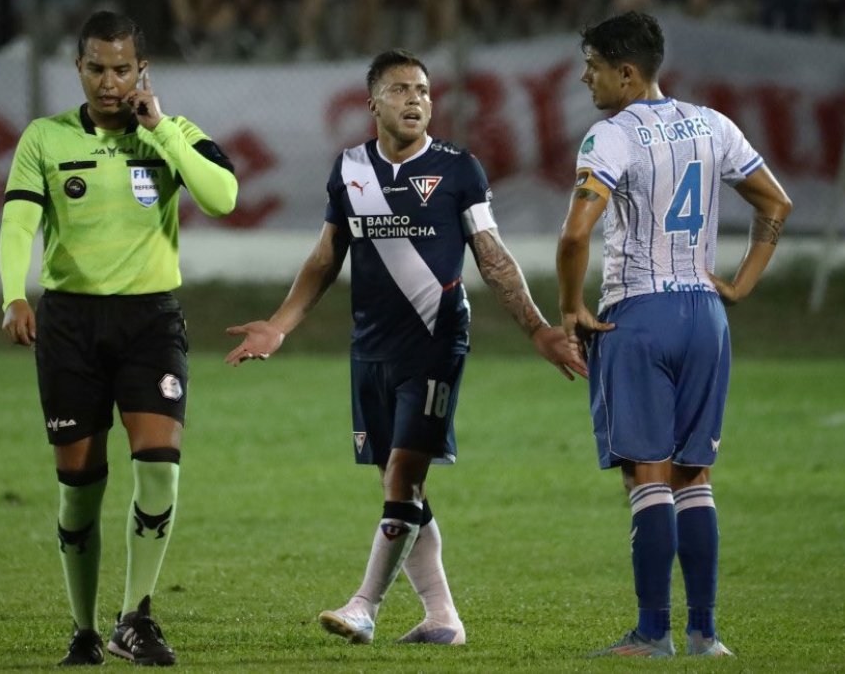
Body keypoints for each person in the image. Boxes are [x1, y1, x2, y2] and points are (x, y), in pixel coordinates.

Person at [225, 48, 585, 646]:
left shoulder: (458, 169)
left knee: (401, 476)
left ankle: (365, 605)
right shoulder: (349, 170)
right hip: (370, 349)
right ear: (372, 104)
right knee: (404, 488)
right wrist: (280, 325)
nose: (416, 99)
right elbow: (324, 258)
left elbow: (492, 258)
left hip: (435, 344)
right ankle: (442, 617)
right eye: (400, 90)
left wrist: (539, 328)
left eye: (422, 89)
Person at [0, 10, 238, 667]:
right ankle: (82, 628)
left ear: (142, 71)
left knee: (159, 466)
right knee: (80, 485)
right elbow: (19, 221)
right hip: (70, 323)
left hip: (151, 322)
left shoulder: (172, 133)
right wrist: (13, 293)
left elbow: (223, 196)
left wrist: (160, 129)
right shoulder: (44, 139)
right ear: (79, 69)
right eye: (97, 68)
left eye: (122, 68)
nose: (110, 81)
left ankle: (135, 615)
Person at [556, 11, 791, 658]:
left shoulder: (611, 136)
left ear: (625, 73)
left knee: (649, 477)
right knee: (696, 476)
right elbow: (775, 203)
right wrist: (740, 284)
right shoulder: (714, 124)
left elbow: (576, 234)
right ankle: (705, 633)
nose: (585, 78)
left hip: (641, 314)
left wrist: (571, 305)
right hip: (705, 317)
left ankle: (652, 632)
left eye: (594, 67)